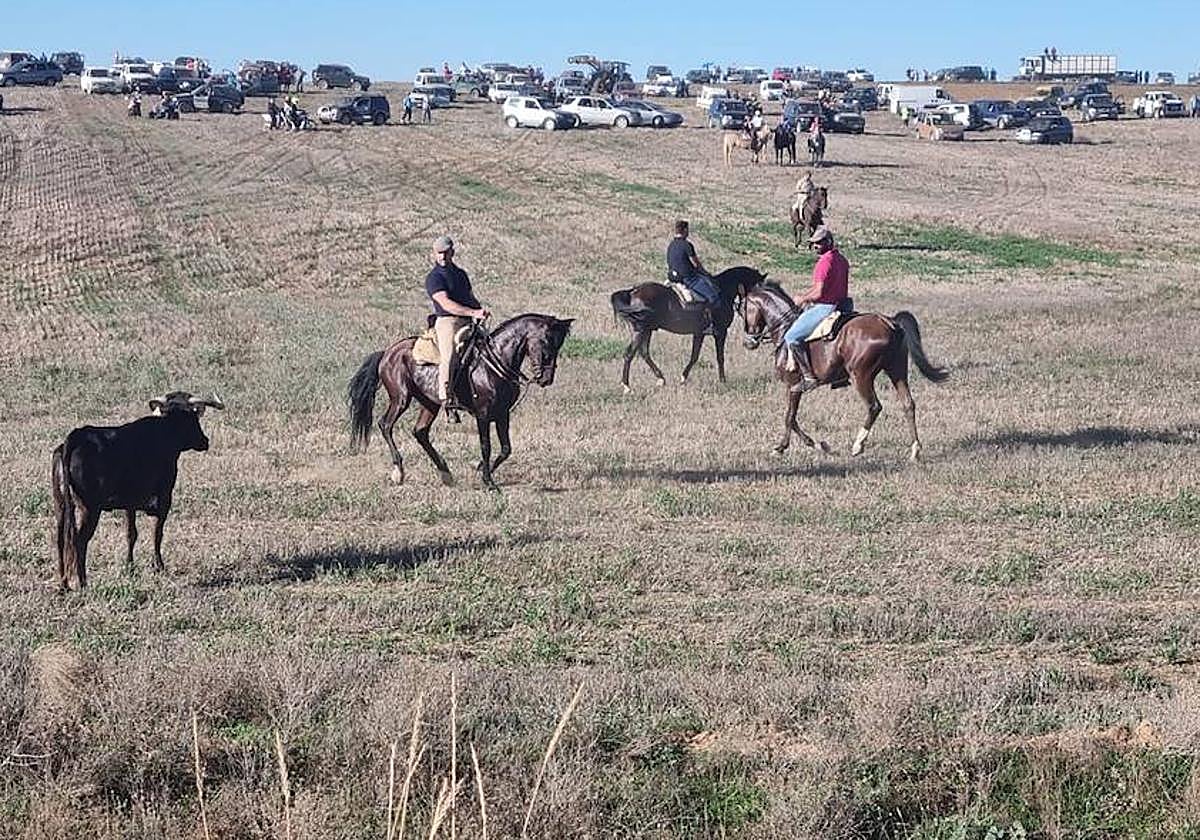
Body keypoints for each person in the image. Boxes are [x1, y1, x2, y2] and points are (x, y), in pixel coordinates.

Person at [425, 236, 489, 412]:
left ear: (452, 252)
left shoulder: (460, 274)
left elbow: (469, 297)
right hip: (447, 322)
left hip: (467, 320)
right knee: (449, 356)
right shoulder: (434, 278)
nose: (442, 257)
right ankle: (446, 397)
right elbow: (446, 304)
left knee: (490, 347)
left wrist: (479, 309)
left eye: (445, 253)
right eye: (439, 253)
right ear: (434, 254)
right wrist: (472, 312)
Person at [784, 226, 850, 389]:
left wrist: (802, 299)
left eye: (819, 243)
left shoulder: (824, 262)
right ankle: (840, 376)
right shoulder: (842, 260)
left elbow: (819, 292)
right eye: (814, 243)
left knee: (791, 336)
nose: (815, 246)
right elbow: (820, 288)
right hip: (844, 304)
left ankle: (808, 377)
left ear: (828, 242)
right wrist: (806, 295)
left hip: (826, 307)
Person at [666, 220, 719, 331]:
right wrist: (705, 273)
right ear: (685, 230)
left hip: (673, 278)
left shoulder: (671, 245)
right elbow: (696, 264)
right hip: (689, 279)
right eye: (687, 230)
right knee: (713, 296)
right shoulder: (687, 245)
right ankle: (710, 325)